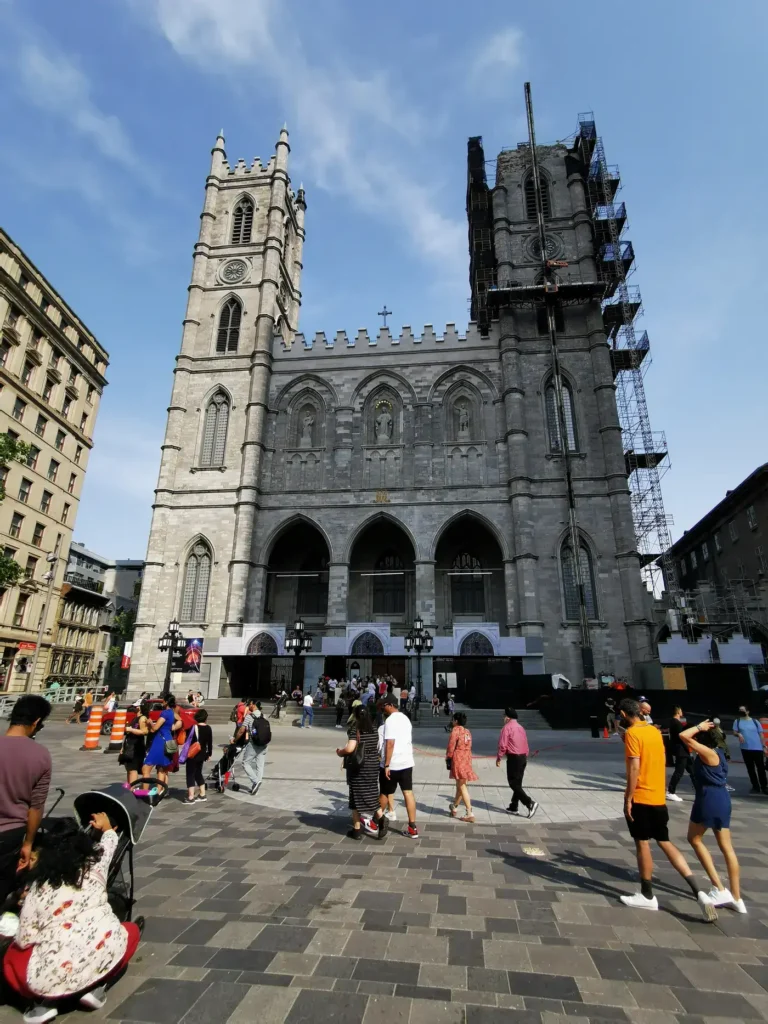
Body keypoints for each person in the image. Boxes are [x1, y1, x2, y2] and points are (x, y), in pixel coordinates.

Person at [3, 814, 144, 1022]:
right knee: (130, 932)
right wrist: (107, 829)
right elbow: (109, 845)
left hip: (51, 974)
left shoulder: (39, 888)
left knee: (12, 956)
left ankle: (43, 1004)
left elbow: (25, 939)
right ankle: (95, 988)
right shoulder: (95, 868)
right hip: (100, 952)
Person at [617, 698, 716, 920]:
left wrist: (628, 798)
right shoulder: (652, 731)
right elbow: (660, 761)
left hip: (641, 796)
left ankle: (647, 895)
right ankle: (698, 891)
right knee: (665, 841)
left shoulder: (633, 733)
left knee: (642, 844)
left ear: (624, 715)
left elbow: (634, 768)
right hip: (657, 797)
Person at [679, 719, 746, 914]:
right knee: (727, 848)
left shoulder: (708, 753)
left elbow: (684, 736)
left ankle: (719, 887)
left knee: (694, 838)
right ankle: (737, 897)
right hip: (722, 798)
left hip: (708, 798)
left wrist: (699, 727)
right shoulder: (719, 753)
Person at [0, 695, 52, 906]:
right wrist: (29, 843)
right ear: (36, 722)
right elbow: (36, 806)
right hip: (10, 836)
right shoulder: (40, 755)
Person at [336, 705, 389, 841]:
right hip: (372, 764)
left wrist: (340, 752)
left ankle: (378, 819)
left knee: (360, 793)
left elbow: (350, 748)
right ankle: (358, 828)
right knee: (367, 792)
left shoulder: (355, 729)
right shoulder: (373, 729)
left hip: (360, 766)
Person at [378, 695, 419, 838]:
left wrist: (387, 764)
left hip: (393, 763)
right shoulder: (405, 718)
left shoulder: (390, 720)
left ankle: (375, 820)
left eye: (384, 705)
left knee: (384, 792)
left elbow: (390, 743)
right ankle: (412, 827)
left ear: (390, 705)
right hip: (407, 762)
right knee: (408, 792)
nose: (383, 708)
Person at [496, 708, 538, 818]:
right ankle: (514, 806)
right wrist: (526, 755)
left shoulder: (506, 728)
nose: (503, 718)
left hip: (514, 758)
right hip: (523, 757)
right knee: (518, 783)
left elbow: (503, 745)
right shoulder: (521, 728)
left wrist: (499, 757)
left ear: (508, 717)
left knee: (513, 783)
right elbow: (525, 742)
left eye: (504, 716)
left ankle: (530, 803)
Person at [142, 693, 182, 786]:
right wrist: (174, 727)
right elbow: (179, 721)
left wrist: (150, 722)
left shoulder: (164, 713)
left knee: (146, 768)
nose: (162, 701)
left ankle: (144, 791)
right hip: (168, 739)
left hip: (160, 741)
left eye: (163, 700)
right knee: (162, 768)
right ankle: (160, 792)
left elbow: (155, 728)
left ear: (167, 702)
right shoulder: (172, 713)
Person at [446, 712, 478, 822]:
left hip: (458, 758)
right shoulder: (467, 731)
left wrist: (448, 757)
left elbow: (451, 745)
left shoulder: (456, 730)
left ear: (456, 721)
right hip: (467, 757)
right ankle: (454, 806)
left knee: (462, 785)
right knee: (460, 783)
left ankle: (469, 812)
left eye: (453, 720)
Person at [237, 700, 271, 796]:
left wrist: (235, 740)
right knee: (260, 765)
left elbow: (241, 730)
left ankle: (256, 781)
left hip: (253, 744)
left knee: (245, 763)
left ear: (254, 705)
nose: (249, 706)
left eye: (250, 704)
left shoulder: (249, 716)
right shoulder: (264, 716)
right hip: (264, 744)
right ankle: (256, 785)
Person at [732, 705, 768, 794]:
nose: (741, 711)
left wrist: (763, 746)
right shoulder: (737, 721)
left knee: (760, 768)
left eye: (742, 710)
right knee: (750, 768)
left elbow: (761, 734)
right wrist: (738, 734)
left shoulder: (755, 721)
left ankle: (764, 786)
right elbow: (734, 732)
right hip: (745, 748)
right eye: (739, 710)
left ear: (747, 712)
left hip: (757, 748)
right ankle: (755, 786)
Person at [185, 709, 213, 804]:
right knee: (198, 773)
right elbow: (210, 743)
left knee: (190, 774)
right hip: (202, 754)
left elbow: (187, 740)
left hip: (193, 754)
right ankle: (202, 794)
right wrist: (209, 754)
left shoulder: (193, 728)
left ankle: (191, 797)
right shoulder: (208, 728)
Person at [666, 706, 694, 802]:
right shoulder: (676, 723)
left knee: (693, 771)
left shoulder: (674, 722)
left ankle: (700, 792)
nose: (682, 712)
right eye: (681, 710)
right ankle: (670, 791)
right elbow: (682, 737)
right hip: (681, 750)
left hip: (684, 750)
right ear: (678, 712)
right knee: (679, 772)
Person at [119, 702, 150, 784]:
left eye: (136, 706)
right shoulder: (135, 718)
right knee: (129, 769)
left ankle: (132, 789)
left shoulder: (142, 718)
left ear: (139, 708)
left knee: (133, 769)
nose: (134, 707)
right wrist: (123, 747)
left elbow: (144, 731)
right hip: (129, 746)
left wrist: (131, 730)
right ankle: (130, 787)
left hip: (136, 747)